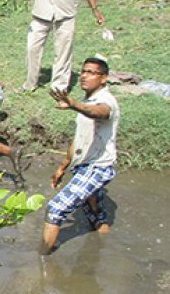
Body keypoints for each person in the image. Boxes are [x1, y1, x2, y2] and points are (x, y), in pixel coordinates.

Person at [40, 57, 120, 255]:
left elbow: (98, 113)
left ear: (104, 78)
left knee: (55, 208)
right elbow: (79, 140)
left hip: (98, 167)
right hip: (85, 166)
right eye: (83, 71)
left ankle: (41, 259)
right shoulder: (88, 99)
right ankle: (105, 248)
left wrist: (73, 104)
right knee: (95, 215)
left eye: (91, 72)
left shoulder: (106, 101)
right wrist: (63, 166)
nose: (84, 76)